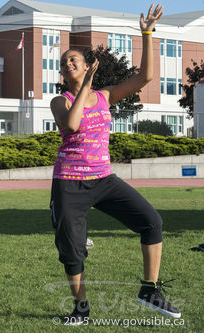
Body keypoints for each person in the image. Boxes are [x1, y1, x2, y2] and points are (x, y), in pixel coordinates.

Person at [49, 4, 180, 325]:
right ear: (65, 73)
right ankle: (81, 310)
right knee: (72, 251)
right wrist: (83, 87)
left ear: (85, 65)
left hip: (104, 180)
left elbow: (145, 76)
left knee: (152, 222)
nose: (68, 63)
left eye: (73, 59)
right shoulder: (60, 101)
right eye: (64, 63)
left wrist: (147, 33)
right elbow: (73, 125)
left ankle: (149, 289)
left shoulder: (106, 96)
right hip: (69, 183)